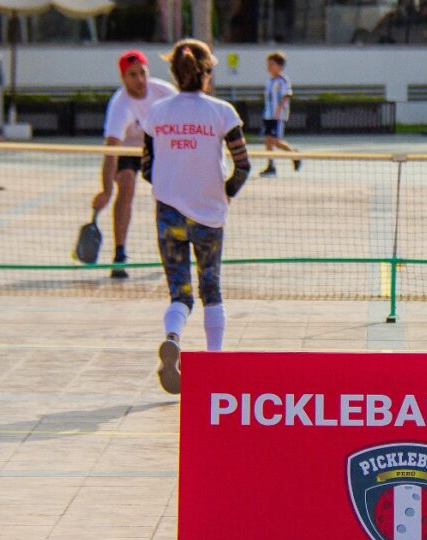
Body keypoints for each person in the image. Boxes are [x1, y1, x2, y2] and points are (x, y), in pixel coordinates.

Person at [140, 39, 251, 394]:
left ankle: (173, 336)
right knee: (212, 290)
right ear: (207, 72)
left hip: (169, 213)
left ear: (173, 71)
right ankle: (214, 360)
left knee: (180, 292)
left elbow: (146, 167)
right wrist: (226, 191)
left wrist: (171, 182)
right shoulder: (222, 112)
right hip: (209, 215)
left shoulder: (157, 113)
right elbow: (243, 164)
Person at [95, 50, 178, 278]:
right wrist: (105, 189)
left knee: (166, 194)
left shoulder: (165, 92)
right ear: (123, 77)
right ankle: (119, 253)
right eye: (132, 75)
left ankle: (172, 249)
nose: (140, 80)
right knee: (126, 184)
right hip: (128, 149)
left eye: (143, 73)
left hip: (160, 146)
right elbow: (111, 150)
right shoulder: (120, 105)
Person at [259, 51, 301, 177]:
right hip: (268, 115)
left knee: (276, 141)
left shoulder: (283, 81)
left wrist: (278, 110)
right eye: (268, 64)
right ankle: (270, 165)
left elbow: (285, 96)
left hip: (276, 116)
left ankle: (294, 155)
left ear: (280, 66)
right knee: (268, 140)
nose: (269, 67)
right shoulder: (269, 81)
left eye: (272, 64)